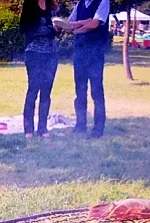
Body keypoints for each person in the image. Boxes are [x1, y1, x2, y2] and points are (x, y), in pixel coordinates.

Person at [64, 0, 110, 139]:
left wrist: (77, 27)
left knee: (96, 92)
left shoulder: (103, 1)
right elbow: (68, 24)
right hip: (80, 53)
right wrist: (77, 24)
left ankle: (98, 129)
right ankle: (80, 125)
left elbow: (95, 23)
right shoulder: (80, 4)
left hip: (95, 54)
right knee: (80, 92)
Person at [20, 0, 59, 139]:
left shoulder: (52, 6)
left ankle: (42, 128)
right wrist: (48, 29)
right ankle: (28, 129)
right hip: (34, 53)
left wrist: (57, 29)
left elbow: (55, 30)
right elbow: (25, 29)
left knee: (46, 92)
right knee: (33, 90)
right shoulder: (29, 5)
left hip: (51, 53)